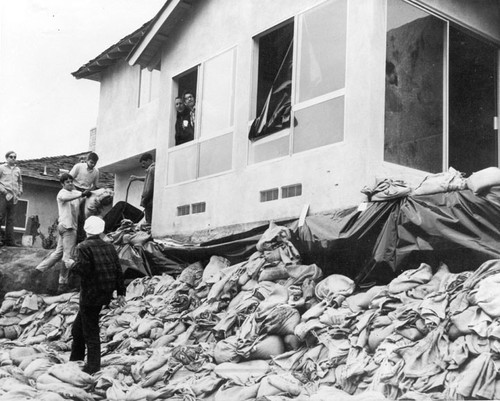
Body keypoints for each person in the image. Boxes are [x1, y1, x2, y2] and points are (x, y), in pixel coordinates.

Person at [69, 216, 126, 374]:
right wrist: (121, 292)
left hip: (89, 296)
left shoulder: (83, 247)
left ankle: (93, 368)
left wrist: (71, 265)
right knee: (77, 329)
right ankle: (75, 361)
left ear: (86, 229)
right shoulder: (109, 247)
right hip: (104, 294)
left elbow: (84, 270)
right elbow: (117, 270)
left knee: (91, 332)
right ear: (101, 230)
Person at [32, 173, 85, 293]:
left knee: (58, 253)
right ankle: (62, 283)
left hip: (66, 227)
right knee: (68, 256)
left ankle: (37, 270)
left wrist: (85, 193)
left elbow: (80, 197)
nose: (70, 183)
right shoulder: (62, 193)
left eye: (71, 181)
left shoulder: (74, 193)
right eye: (67, 182)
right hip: (68, 227)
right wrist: (82, 194)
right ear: (62, 184)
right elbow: (66, 198)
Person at [70, 152, 99, 243]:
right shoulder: (78, 166)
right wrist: (76, 191)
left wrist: (89, 191)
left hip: (86, 192)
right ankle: (72, 234)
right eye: (91, 162)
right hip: (75, 189)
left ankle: (82, 236)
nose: (92, 164)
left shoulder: (96, 171)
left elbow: (95, 185)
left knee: (85, 214)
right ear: (87, 160)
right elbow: (69, 179)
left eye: (94, 163)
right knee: (75, 213)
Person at [0, 151, 23, 246]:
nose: (13, 158)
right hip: (3, 195)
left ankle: (10, 241)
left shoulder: (18, 170)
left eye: (15, 157)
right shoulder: (1, 167)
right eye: (11, 157)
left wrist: (20, 192)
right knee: (0, 217)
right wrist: (4, 192)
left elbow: (20, 182)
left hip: (14, 197)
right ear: (7, 158)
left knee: (11, 219)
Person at [130, 153, 155, 225]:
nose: (143, 166)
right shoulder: (154, 169)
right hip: (152, 201)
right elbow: (148, 178)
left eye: (144, 163)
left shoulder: (151, 169)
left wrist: (144, 200)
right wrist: (136, 178)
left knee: (149, 223)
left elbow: (149, 188)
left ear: (149, 160)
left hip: (149, 201)